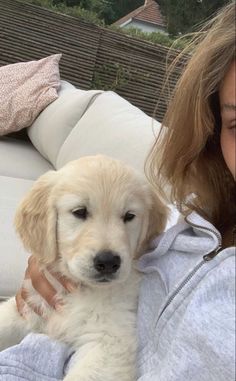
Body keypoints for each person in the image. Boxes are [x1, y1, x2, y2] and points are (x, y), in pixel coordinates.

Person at [1, 2, 235, 381]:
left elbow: (110, 351)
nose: (110, 248)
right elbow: (27, 322)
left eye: (127, 218)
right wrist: (45, 259)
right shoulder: (189, 228)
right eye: (80, 212)